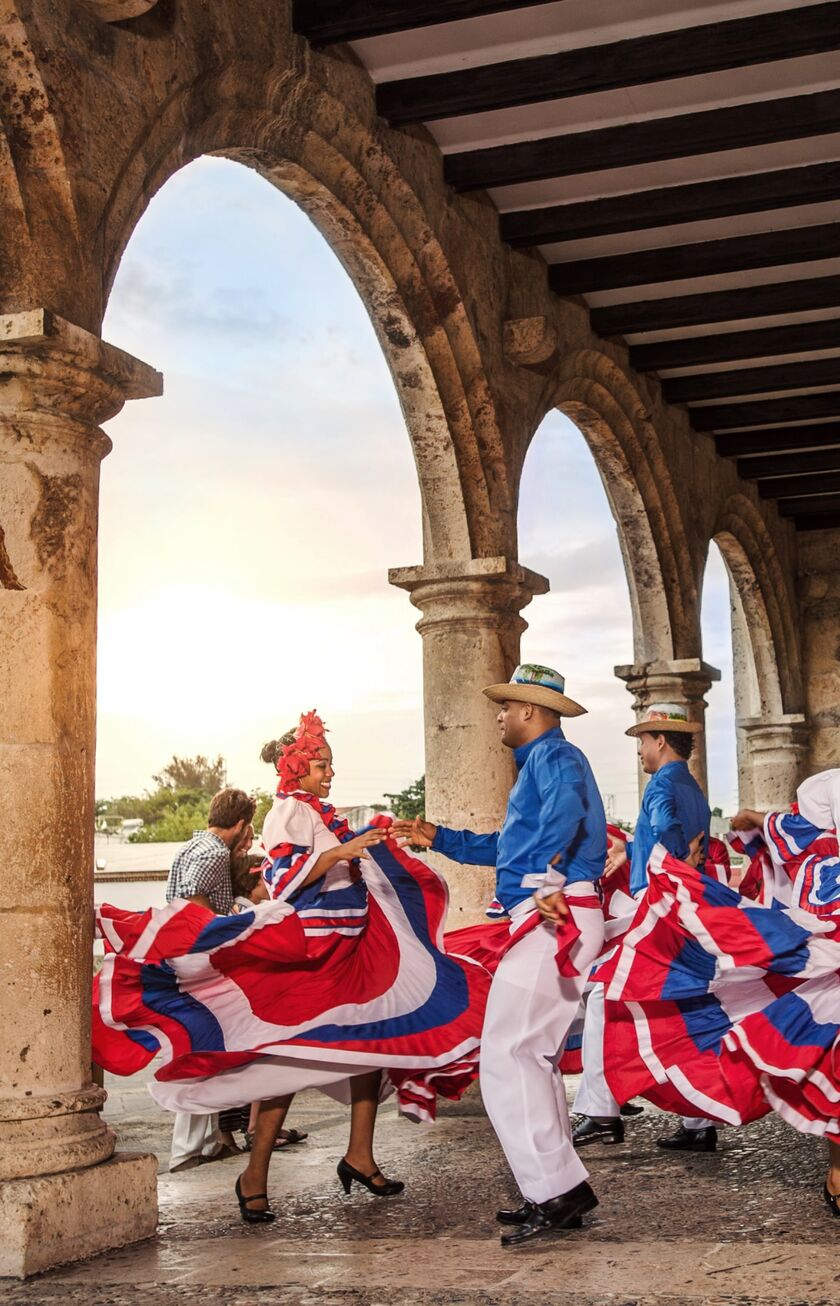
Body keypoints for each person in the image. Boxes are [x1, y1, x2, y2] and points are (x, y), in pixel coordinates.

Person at [93, 711, 489, 1226]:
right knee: (290, 1052)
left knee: (371, 1039)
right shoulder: (287, 812)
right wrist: (342, 852)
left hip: (351, 948)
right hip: (314, 953)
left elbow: (345, 864)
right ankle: (255, 1175)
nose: (329, 773)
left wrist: (370, 844)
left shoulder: (317, 811)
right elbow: (284, 880)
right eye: (321, 765)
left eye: (330, 764)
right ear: (295, 769)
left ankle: (359, 1153)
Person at [392, 663, 606, 1247]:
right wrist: (440, 838)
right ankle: (557, 1188)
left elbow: (562, 824)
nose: (499, 717)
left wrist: (545, 882)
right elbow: (507, 845)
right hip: (552, 909)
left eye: (506, 708)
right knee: (528, 1056)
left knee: (509, 1056)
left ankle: (555, 1191)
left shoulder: (555, 760)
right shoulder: (543, 764)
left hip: (551, 913)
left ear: (531, 711)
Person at [591, 768, 840, 1219]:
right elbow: (785, 828)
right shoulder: (819, 848)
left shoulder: (818, 845)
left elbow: (787, 828)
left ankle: (838, 1173)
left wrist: (752, 819)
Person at [572, 704, 714, 1153]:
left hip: (657, 903)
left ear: (660, 741)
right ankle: (698, 1121)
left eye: (643, 741)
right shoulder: (693, 786)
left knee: (601, 993)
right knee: (681, 1005)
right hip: (683, 905)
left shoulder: (661, 785)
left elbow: (669, 832)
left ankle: (601, 1111)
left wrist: (670, 860)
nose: (640, 751)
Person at [165, 788, 257, 1172]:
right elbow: (191, 894)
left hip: (180, 956)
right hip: (198, 958)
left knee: (209, 1046)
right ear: (240, 824)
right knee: (205, 1048)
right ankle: (189, 1149)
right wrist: (223, 925)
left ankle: (207, 1142)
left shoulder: (192, 844)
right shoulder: (215, 851)